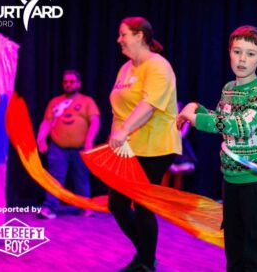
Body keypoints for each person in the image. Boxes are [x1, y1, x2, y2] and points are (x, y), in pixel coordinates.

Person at [177, 25, 257, 272]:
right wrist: (198, 109)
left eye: (251, 54)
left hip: (256, 177)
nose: (242, 59)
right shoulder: (229, 88)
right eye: (237, 51)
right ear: (229, 53)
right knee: (234, 243)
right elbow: (223, 120)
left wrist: (197, 120)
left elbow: (242, 126)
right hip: (231, 176)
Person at [108, 16, 181, 272]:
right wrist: (114, 136)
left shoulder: (159, 66)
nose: (119, 40)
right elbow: (118, 109)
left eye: (123, 34)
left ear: (139, 36)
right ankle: (146, 254)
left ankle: (146, 262)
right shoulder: (126, 68)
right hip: (130, 147)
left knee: (142, 204)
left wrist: (124, 130)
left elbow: (149, 106)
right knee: (116, 204)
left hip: (157, 147)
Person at [36, 70, 100, 219]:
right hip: (58, 148)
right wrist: (41, 139)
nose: (68, 84)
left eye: (72, 82)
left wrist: (89, 141)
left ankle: (85, 207)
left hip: (80, 148)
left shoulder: (87, 101)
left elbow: (95, 121)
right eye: (65, 82)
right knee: (54, 179)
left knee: (81, 178)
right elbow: (47, 122)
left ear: (78, 84)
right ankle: (49, 208)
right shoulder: (55, 102)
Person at [161, 101, 197, 190]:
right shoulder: (167, 119)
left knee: (178, 176)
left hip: (180, 148)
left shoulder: (185, 121)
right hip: (168, 145)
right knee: (165, 173)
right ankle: (161, 192)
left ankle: (176, 194)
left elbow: (183, 134)